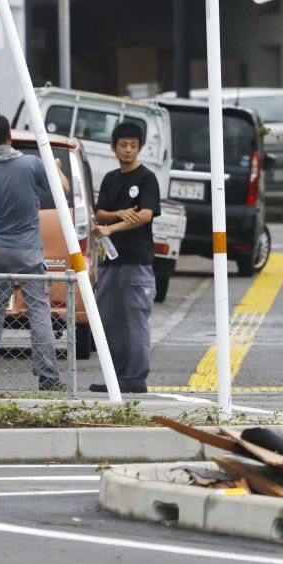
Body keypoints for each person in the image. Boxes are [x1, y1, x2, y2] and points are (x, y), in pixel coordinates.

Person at [0, 114, 68, 391]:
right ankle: (48, 377)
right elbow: (64, 189)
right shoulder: (31, 164)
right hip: (29, 251)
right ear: (10, 134)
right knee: (38, 311)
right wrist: (56, 166)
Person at [89, 121, 161, 395]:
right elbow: (100, 213)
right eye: (123, 145)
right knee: (109, 319)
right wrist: (118, 214)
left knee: (136, 320)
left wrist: (112, 226)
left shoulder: (146, 178)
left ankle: (135, 378)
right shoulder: (110, 178)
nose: (128, 150)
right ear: (113, 147)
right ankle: (114, 376)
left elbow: (145, 215)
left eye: (133, 145)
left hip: (137, 260)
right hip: (110, 260)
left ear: (140, 148)